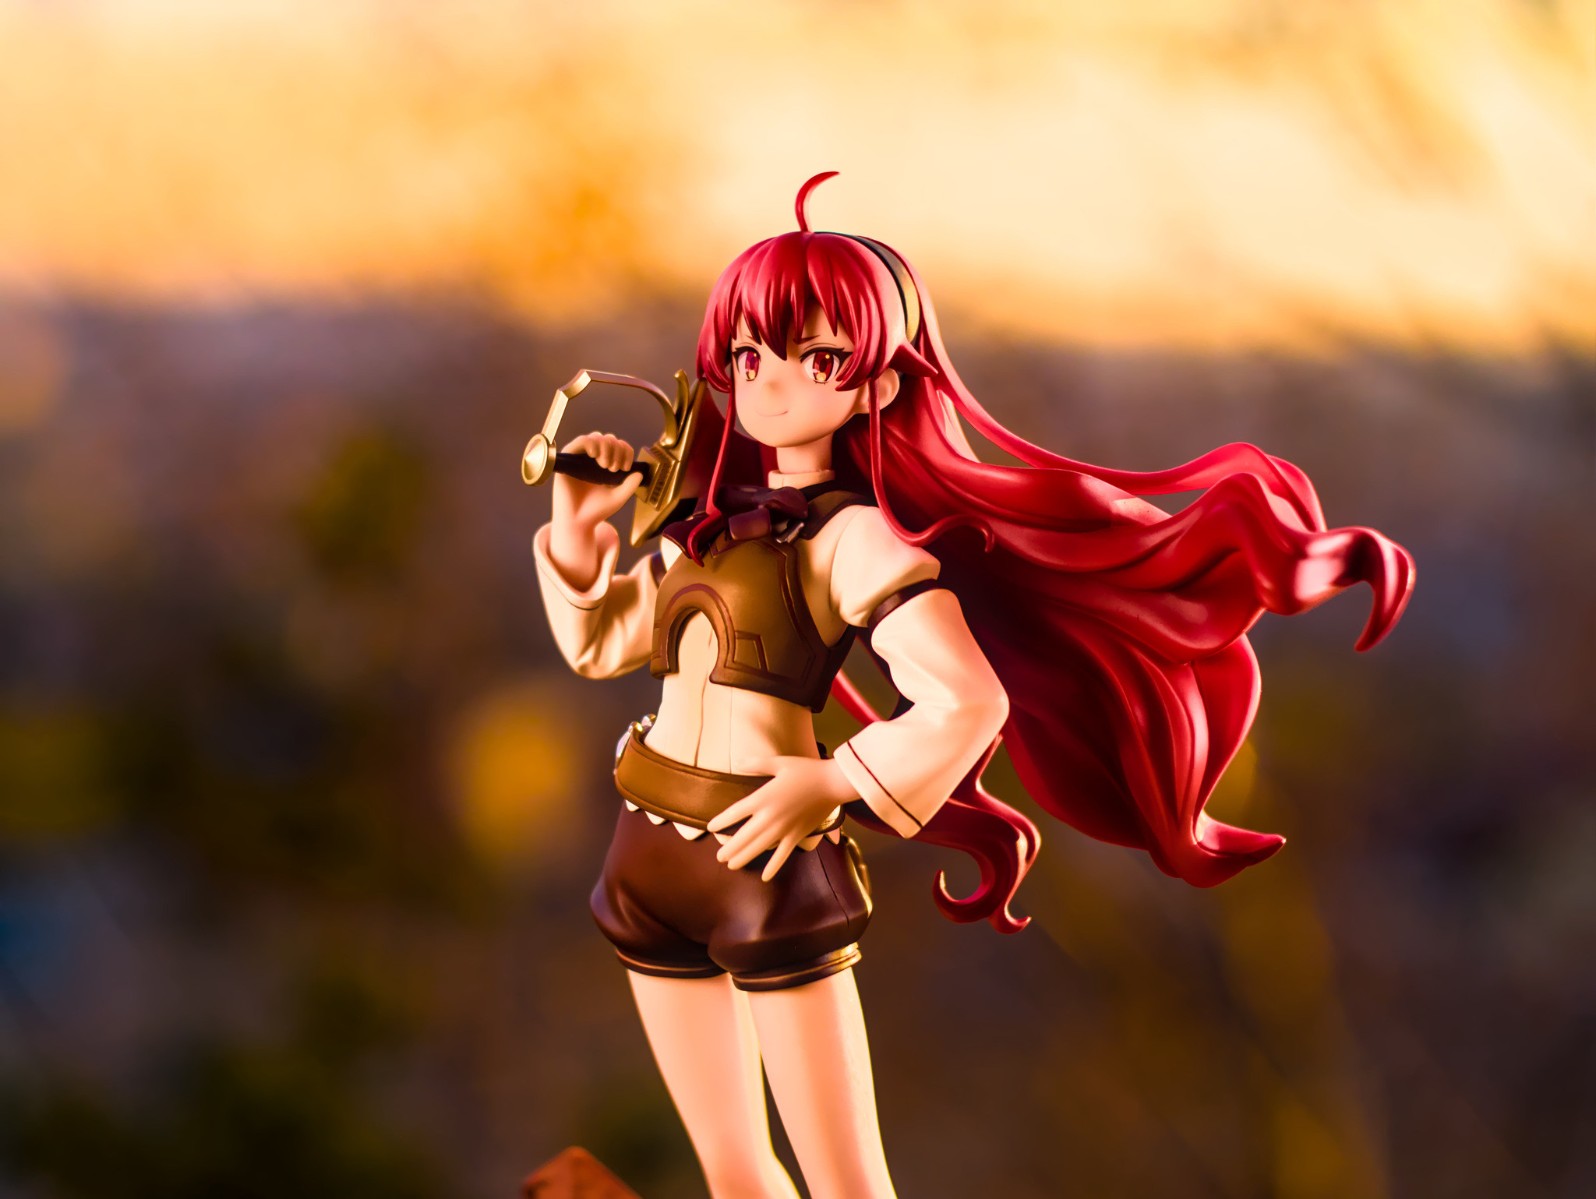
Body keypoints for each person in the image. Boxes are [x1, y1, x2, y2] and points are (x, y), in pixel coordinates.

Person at [530, 172, 1414, 1199]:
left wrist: (836, 782)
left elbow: (967, 698)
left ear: (877, 384)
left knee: (846, 1182)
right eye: (747, 357)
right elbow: (605, 642)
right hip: (645, 849)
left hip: (761, 863)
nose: (770, 386)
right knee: (733, 1168)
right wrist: (576, 532)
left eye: (817, 359)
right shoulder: (707, 526)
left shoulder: (853, 539)